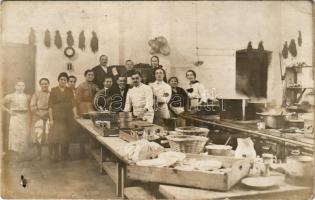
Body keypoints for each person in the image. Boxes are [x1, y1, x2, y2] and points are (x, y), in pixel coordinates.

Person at [48, 72, 79, 161]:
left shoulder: (69, 90)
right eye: (61, 79)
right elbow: (50, 105)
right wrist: (51, 119)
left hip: (67, 116)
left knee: (66, 136)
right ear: (58, 80)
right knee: (56, 136)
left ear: (66, 81)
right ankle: (56, 155)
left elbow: (73, 103)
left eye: (65, 80)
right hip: (57, 116)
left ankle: (65, 154)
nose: (63, 81)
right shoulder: (54, 90)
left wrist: (75, 114)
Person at [2, 80, 30, 153]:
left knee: (23, 133)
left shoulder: (27, 96)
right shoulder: (10, 96)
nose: (21, 87)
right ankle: (15, 151)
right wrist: (9, 111)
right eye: (18, 85)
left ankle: (23, 152)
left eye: (23, 86)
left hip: (25, 116)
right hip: (15, 116)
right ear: (15, 86)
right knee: (15, 133)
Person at [30, 78, 51, 160]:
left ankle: (50, 154)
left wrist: (48, 114)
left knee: (49, 134)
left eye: (46, 83)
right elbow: (32, 106)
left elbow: (53, 106)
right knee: (38, 134)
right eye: (42, 84)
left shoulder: (51, 94)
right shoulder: (36, 94)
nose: (44, 85)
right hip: (38, 116)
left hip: (49, 115)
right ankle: (39, 154)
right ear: (40, 85)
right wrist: (40, 114)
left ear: (48, 84)